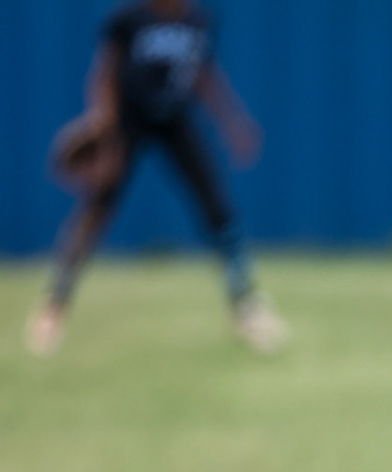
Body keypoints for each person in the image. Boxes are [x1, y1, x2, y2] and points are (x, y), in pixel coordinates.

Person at [24, 0, 285, 357]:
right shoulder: (130, 18)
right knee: (97, 211)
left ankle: (246, 306)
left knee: (217, 208)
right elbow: (105, 73)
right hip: (128, 121)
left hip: (175, 120)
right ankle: (53, 309)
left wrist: (232, 123)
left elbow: (205, 75)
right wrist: (105, 129)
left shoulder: (197, 21)